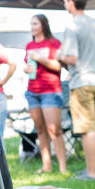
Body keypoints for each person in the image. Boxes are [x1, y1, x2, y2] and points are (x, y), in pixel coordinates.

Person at [56, 0, 95, 181]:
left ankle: (92, 172)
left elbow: (71, 58)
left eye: (64, 0)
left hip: (82, 82)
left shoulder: (73, 25)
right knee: (90, 126)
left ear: (71, 2)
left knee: (87, 129)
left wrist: (59, 55)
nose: (64, 4)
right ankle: (91, 169)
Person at [24, 14, 66, 174]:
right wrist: (25, 69)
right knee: (40, 130)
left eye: (35, 24)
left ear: (43, 25)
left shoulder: (54, 43)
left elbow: (57, 66)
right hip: (32, 91)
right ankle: (46, 165)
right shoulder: (29, 45)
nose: (32, 27)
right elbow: (27, 65)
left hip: (50, 91)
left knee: (54, 130)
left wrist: (39, 58)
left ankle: (62, 168)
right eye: (31, 24)